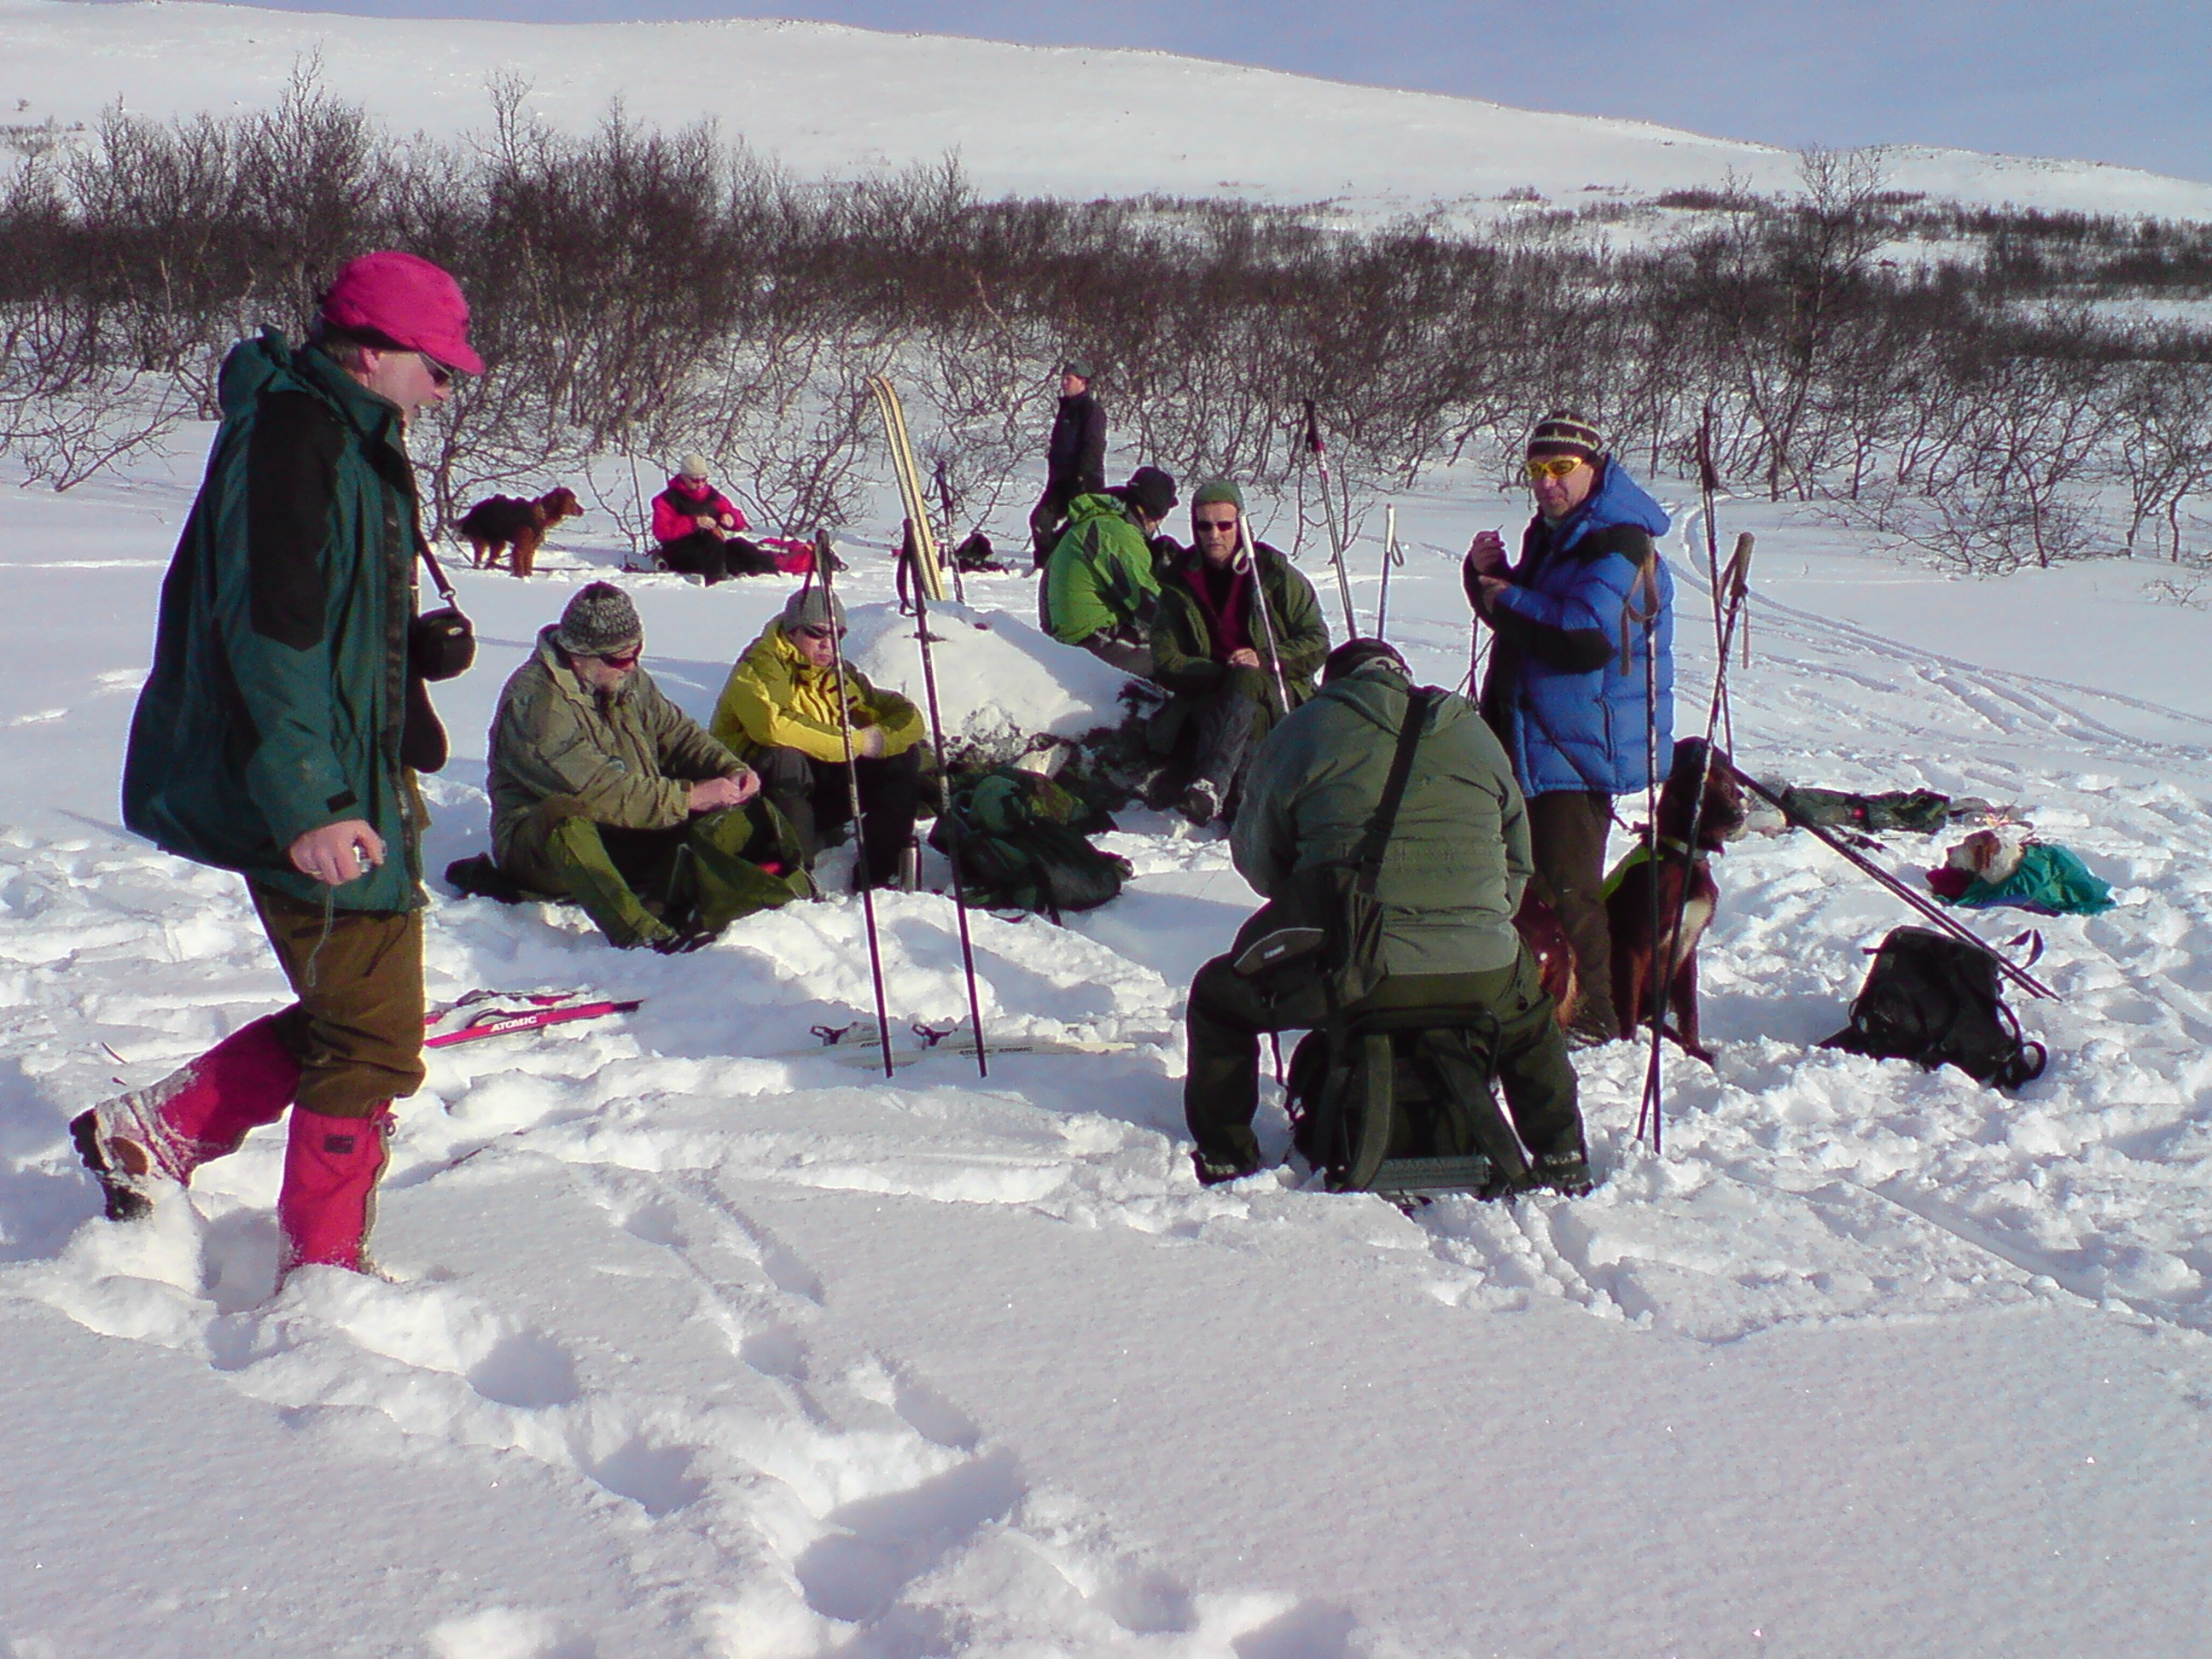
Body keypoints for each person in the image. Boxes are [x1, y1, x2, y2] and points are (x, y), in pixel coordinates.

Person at [79, 250, 480, 1274]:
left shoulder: (348, 436)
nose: (448, 386)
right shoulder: (299, 436)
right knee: (372, 1038)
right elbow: (269, 631)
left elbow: (327, 615)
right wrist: (312, 797)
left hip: (349, 771)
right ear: (374, 349)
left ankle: (153, 1132)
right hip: (310, 785)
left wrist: (407, 664)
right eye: (437, 365)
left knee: (359, 1019)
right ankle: (322, 1264)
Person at [1183, 639, 1590, 1193]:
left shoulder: (1307, 728)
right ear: (1403, 676)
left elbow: (1260, 863)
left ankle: (1227, 1156)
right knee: (1528, 1019)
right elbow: (1516, 867)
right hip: (1479, 969)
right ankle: (1563, 1156)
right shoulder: (1472, 732)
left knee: (1218, 999)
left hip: (1353, 970)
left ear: (1335, 683)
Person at [1464, 411, 1674, 1049]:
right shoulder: (1560, 534)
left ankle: (1598, 1019)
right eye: (1537, 470)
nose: (1548, 483)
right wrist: (1488, 579)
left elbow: (1581, 637)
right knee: (1521, 878)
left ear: (1593, 467)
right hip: (1534, 735)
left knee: (1569, 887)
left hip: (1578, 744)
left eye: (1561, 469)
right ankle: (1541, 996)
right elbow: (1523, 617)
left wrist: (1507, 596)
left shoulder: (1617, 540)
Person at [487, 582, 808, 951]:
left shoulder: (624, 678)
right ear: (580, 656)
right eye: (622, 658)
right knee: (566, 816)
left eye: (636, 651)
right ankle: (640, 935)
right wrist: (689, 797)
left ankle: (751, 889)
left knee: (728, 805)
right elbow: (599, 791)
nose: (633, 665)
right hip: (545, 849)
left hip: (626, 825)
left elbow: (677, 734)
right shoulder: (537, 706)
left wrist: (727, 769)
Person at [711, 586, 927, 890]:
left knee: (902, 757)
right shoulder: (760, 666)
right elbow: (772, 726)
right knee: (784, 756)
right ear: (793, 630)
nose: (828, 646)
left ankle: (880, 872)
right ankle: (797, 872)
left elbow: (905, 716)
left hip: (814, 787)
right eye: (817, 634)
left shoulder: (837, 672)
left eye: (837, 636)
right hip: (756, 797)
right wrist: (855, 743)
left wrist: (880, 740)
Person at [1150, 479, 1329, 826]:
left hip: (1278, 686)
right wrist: (1228, 674)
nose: (1214, 534)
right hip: (1208, 688)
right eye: (1204, 525)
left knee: (1252, 695)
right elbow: (1167, 660)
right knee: (1246, 706)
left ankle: (1213, 785)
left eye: (1224, 525)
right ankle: (1243, 810)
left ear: (1241, 525)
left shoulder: (1276, 576)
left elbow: (1317, 641)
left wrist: (1264, 659)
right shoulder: (1178, 582)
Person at [1043, 464, 1178, 678]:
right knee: (1181, 657)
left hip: (1069, 635)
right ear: (1155, 512)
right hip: (1090, 640)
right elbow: (1148, 602)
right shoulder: (1116, 534)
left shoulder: (1097, 523)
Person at [651, 453, 778, 582]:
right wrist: (693, 523)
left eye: (704, 479)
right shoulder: (666, 500)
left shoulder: (712, 496)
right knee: (712, 541)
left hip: (713, 551)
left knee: (739, 546)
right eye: (695, 480)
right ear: (684, 477)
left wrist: (731, 518)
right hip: (681, 551)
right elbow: (662, 532)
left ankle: (771, 573)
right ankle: (717, 583)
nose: (700, 484)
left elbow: (737, 518)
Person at [1028, 358, 1107, 565]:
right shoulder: (1066, 409)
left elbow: (1094, 445)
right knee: (1040, 521)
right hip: (1060, 480)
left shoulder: (1090, 410)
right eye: (1063, 379)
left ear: (1083, 382)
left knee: (1079, 528)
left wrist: (1083, 476)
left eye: (1069, 379)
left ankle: (1066, 564)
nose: (1064, 383)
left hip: (1084, 481)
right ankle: (1045, 564)